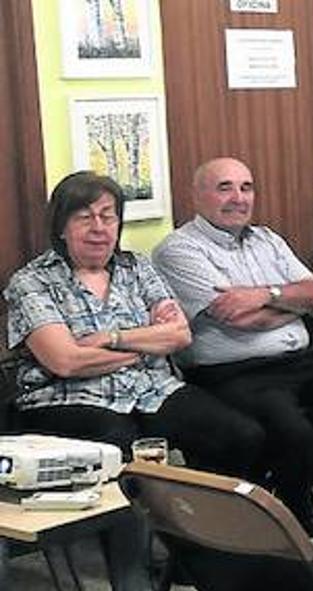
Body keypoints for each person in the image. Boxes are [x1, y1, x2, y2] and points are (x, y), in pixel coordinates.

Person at [152, 157, 313, 537]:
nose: (238, 198)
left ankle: (290, 481)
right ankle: (295, 498)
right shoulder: (179, 250)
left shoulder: (267, 239)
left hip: (302, 359)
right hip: (234, 371)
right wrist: (292, 309)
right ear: (196, 195)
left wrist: (263, 295)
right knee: (296, 433)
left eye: (246, 187)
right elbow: (239, 319)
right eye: (224, 187)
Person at [4, 171, 264, 479]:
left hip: (152, 388)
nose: (99, 228)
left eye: (107, 217)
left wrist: (110, 338)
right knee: (117, 447)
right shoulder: (32, 281)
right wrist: (146, 346)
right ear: (62, 227)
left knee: (242, 435)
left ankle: (198, 520)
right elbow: (66, 361)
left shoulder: (137, 267)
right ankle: (133, 524)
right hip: (71, 397)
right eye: (84, 218)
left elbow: (180, 334)